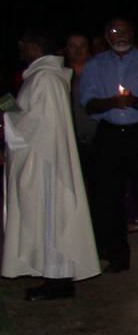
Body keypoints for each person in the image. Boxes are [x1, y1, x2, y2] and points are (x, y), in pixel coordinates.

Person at [3, 28, 99, 300]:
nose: (20, 45)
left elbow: (32, 125)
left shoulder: (45, 78)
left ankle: (58, 280)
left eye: (23, 41)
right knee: (48, 217)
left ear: (34, 45)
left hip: (46, 163)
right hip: (42, 158)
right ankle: (54, 276)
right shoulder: (42, 76)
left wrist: (5, 104)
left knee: (52, 215)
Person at [78, 17, 138, 272]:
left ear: (133, 34)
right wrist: (112, 103)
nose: (121, 35)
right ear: (106, 35)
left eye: (126, 31)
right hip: (110, 134)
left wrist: (135, 102)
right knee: (109, 196)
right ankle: (118, 256)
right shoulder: (95, 65)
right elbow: (88, 101)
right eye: (115, 31)